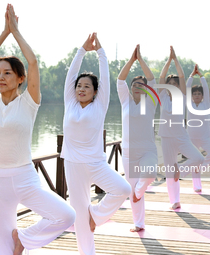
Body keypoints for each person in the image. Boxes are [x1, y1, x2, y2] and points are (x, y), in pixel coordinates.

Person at [0, 5, 75, 254]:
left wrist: (16, 32)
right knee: (5, 248)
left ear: (20, 78)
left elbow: (32, 62)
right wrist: (3, 32)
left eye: (7, 73)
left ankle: (24, 239)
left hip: (24, 177)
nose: (0, 77)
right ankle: (12, 244)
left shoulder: (29, 102)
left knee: (65, 216)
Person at [61, 33, 131, 255]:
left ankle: (97, 214)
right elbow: (71, 74)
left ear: (95, 92)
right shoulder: (70, 102)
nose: (81, 89)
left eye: (86, 87)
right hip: (73, 164)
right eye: (79, 86)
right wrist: (81, 50)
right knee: (79, 216)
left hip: (95, 162)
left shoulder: (99, 105)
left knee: (123, 189)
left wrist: (101, 52)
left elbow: (105, 76)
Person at [117, 45, 158, 232]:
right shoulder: (125, 101)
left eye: (142, 85)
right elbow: (120, 79)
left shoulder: (150, 101)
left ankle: (140, 190)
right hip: (128, 153)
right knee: (132, 189)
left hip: (147, 149)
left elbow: (152, 79)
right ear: (131, 88)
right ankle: (138, 224)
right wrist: (131, 61)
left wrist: (140, 60)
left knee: (149, 174)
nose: (137, 87)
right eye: (135, 85)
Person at [158, 46, 204, 210]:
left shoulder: (183, 96)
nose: (171, 86)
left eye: (174, 84)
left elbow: (183, 76)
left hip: (181, 136)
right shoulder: (163, 96)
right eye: (169, 84)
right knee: (170, 170)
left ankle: (181, 171)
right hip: (166, 137)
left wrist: (175, 60)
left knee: (198, 158)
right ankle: (175, 200)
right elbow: (161, 77)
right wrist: (168, 61)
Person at [186, 64, 210, 179]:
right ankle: (196, 185)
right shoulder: (189, 104)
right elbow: (187, 88)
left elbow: (205, 87)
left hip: (205, 137)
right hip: (192, 137)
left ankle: (202, 167)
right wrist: (191, 76)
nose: (196, 95)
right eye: (194, 94)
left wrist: (201, 76)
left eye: (199, 94)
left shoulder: (206, 104)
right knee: (195, 160)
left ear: (202, 96)